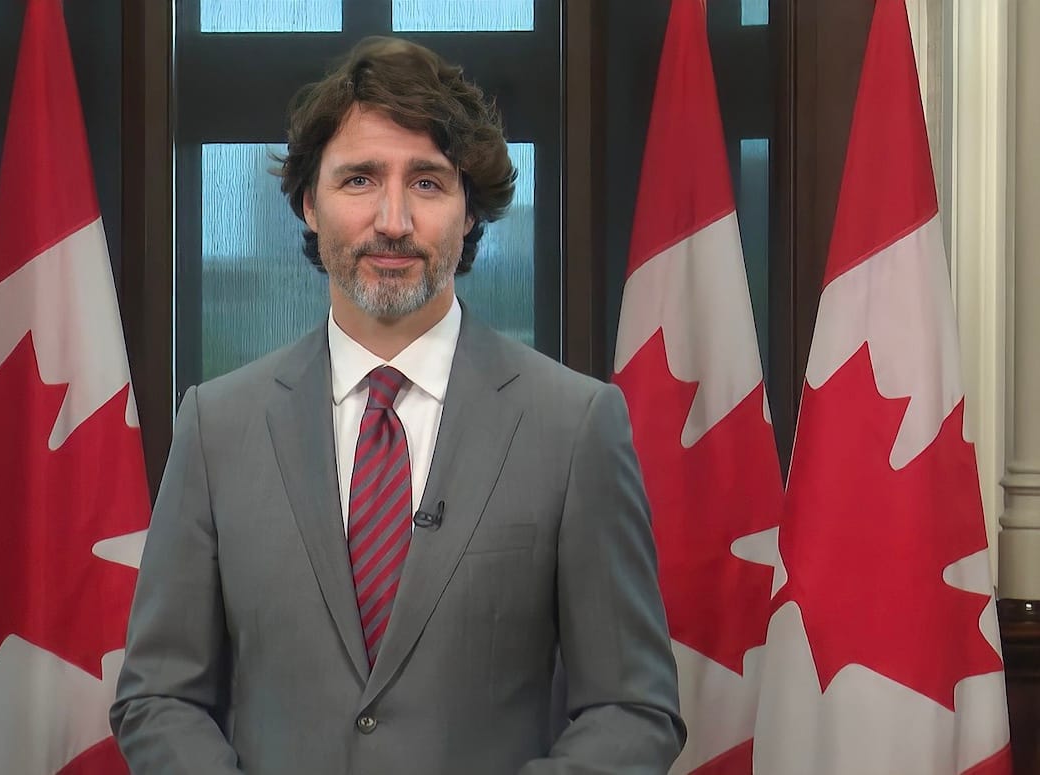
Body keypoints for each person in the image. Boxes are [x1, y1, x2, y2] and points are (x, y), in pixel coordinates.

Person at [112, 36, 685, 775]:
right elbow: (156, 697)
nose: (391, 220)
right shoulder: (215, 427)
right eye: (358, 180)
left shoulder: (574, 426)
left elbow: (633, 709)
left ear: (469, 211)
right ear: (308, 204)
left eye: (426, 183)